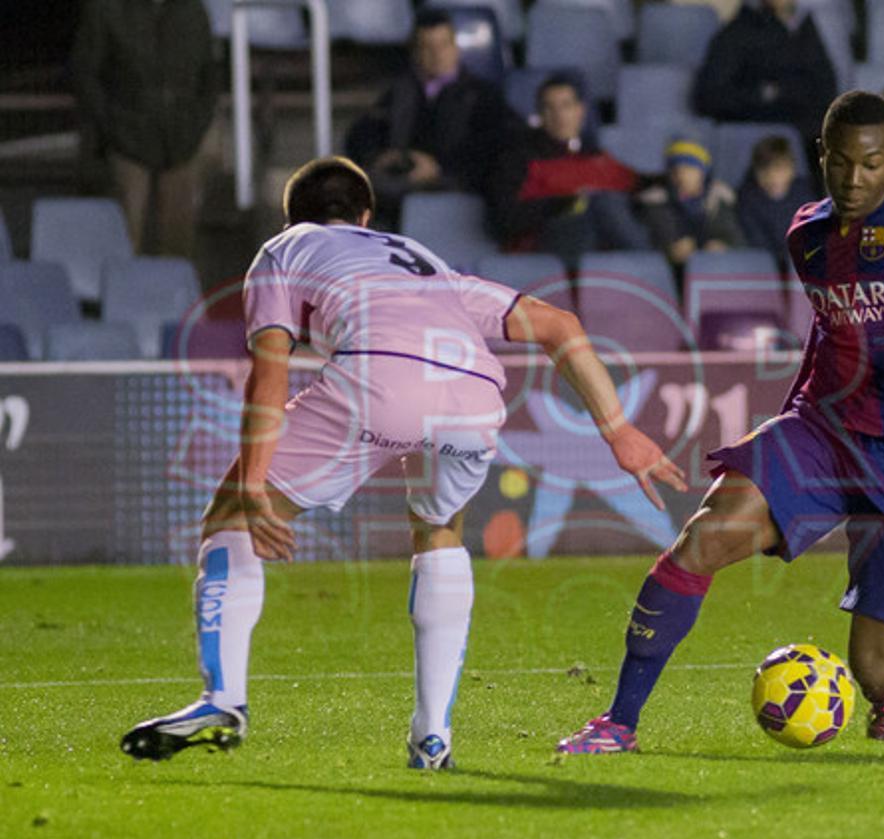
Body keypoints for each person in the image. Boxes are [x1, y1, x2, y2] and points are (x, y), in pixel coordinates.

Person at [119, 157, 685, 769]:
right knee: (440, 529)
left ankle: (223, 698)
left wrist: (254, 484)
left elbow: (270, 368)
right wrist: (618, 431)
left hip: (376, 381)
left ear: (294, 217)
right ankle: (433, 736)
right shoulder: (421, 258)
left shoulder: (286, 248)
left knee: (230, 515)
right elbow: (560, 325)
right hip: (473, 397)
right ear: (366, 216)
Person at [557, 91, 884, 754]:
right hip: (824, 429)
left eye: (870, 164)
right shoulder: (807, 235)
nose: (854, 179)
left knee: (875, 669)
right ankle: (619, 722)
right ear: (822, 156)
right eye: (841, 162)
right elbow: (829, 329)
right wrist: (791, 417)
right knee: (702, 539)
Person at [71, 0, 218, 258]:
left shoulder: (191, 11)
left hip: (181, 138)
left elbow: (209, 75)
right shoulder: (107, 10)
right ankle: (125, 285)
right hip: (127, 139)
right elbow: (85, 72)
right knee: (123, 240)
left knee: (178, 244)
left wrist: (195, 122)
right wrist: (113, 125)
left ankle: (171, 287)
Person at [344, 9, 512, 228]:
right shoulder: (399, 92)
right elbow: (363, 133)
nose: (437, 54)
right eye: (427, 47)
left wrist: (439, 167)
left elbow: (492, 144)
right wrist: (379, 156)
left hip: (455, 183)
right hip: (399, 181)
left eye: (443, 45)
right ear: (414, 52)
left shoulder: (482, 95)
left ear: (455, 48)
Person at [490, 74, 650, 268]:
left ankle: (654, 267)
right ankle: (649, 268)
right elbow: (506, 219)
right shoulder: (518, 159)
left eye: (566, 106)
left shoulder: (598, 157)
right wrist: (567, 202)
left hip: (603, 252)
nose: (559, 115)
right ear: (540, 114)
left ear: (580, 110)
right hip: (544, 247)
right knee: (599, 206)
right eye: (549, 107)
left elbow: (638, 186)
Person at [694, 0, 838, 158]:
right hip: (762, 139)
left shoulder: (806, 29)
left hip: (811, 136)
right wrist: (766, 94)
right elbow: (710, 97)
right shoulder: (737, 33)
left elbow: (827, 87)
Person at [639, 139, 744, 268]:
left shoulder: (718, 196)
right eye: (675, 170)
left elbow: (734, 236)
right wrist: (671, 249)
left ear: (702, 172)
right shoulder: (656, 200)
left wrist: (723, 245)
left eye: (689, 169)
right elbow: (662, 236)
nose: (681, 176)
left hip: (717, 268)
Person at [736, 135, 818, 260]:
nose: (773, 178)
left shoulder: (804, 192)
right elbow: (758, 243)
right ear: (756, 173)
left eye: (780, 169)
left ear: (792, 169)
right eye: (765, 171)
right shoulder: (748, 200)